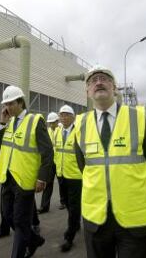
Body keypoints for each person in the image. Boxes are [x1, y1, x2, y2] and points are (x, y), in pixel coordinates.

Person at [74, 64, 146, 258]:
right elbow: (83, 165)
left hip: (133, 216)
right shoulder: (81, 123)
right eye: (93, 80)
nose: (98, 82)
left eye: (104, 78)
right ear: (87, 91)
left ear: (114, 87)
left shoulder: (137, 116)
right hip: (96, 217)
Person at [0, 85, 53, 258]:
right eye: (6, 104)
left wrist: (42, 178)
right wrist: (2, 123)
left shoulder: (35, 120)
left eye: (11, 103)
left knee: (20, 221)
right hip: (7, 177)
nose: (8, 108)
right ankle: (34, 240)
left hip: (25, 179)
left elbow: (48, 152)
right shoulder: (10, 122)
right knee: (7, 215)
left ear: (21, 102)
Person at [54, 105, 82, 252]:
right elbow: (55, 151)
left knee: (74, 205)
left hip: (76, 176)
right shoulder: (57, 132)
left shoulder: (79, 132)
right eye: (62, 115)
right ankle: (75, 222)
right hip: (61, 174)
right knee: (66, 202)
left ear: (73, 117)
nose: (63, 118)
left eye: (66, 115)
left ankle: (69, 236)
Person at [38, 112, 66, 213]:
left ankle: (64, 202)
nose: (50, 124)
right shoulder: (48, 131)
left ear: (57, 121)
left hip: (59, 161)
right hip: (50, 161)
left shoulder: (62, 130)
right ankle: (44, 207)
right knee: (48, 183)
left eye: (52, 122)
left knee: (62, 182)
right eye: (49, 123)